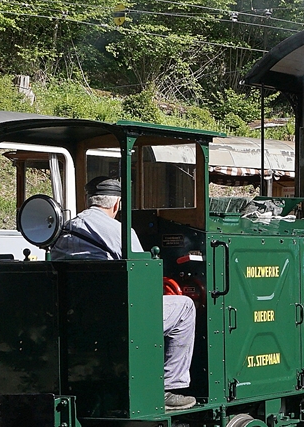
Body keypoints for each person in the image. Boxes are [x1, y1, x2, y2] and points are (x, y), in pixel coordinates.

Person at [53, 176, 197, 410]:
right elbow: (143, 282)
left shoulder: (63, 230)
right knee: (184, 307)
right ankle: (168, 387)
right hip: (115, 317)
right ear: (117, 204)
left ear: (89, 200)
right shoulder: (120, 231)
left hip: (71, 316)